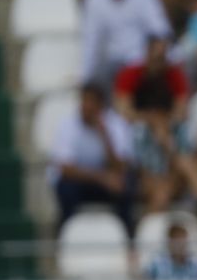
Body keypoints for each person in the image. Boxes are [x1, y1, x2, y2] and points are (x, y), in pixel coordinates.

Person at [50, 83, 136, 231]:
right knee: (65, 188)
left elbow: (121, 167)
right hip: (82, 182)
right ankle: (67, 234)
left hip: (106, 183)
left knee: (126, 184)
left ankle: (127, 237)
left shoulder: (115, 124)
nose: (86, 106)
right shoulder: (67, 125)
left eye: (91, 101)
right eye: (83, 100)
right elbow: (65, 169)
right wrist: (102, 178)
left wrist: (105, 137)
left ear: (101, 105)